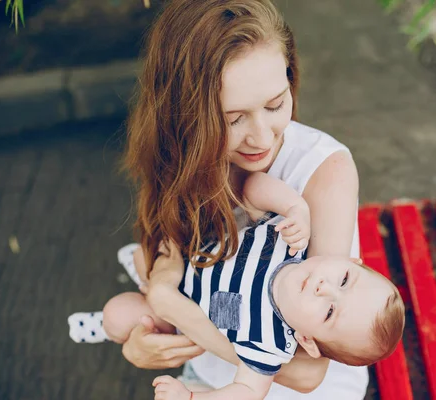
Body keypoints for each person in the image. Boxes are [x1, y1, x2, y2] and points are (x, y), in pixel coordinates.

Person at [117, 0, 373, 397]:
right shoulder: (181, 157)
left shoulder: (325, 171)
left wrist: (173, 306)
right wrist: (139, 343)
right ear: (185, 115)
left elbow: (308, 375)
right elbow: (168, 255)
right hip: (205, 375)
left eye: (275, 104)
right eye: (232, 119)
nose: (262, 137)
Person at [99, 172, 405, 400]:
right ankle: (139, 280)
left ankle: (102, 327)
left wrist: (191, 398)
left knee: (117, 316)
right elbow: (252, 187)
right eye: (344, 280)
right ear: (352, 261)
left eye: (328, 312)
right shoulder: (292, 241)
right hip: (185, 256)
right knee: (144, 253)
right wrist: (296, 207)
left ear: (308, 341)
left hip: (177, 318)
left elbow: (246, 392)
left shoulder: (271, 344)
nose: (324, 288)